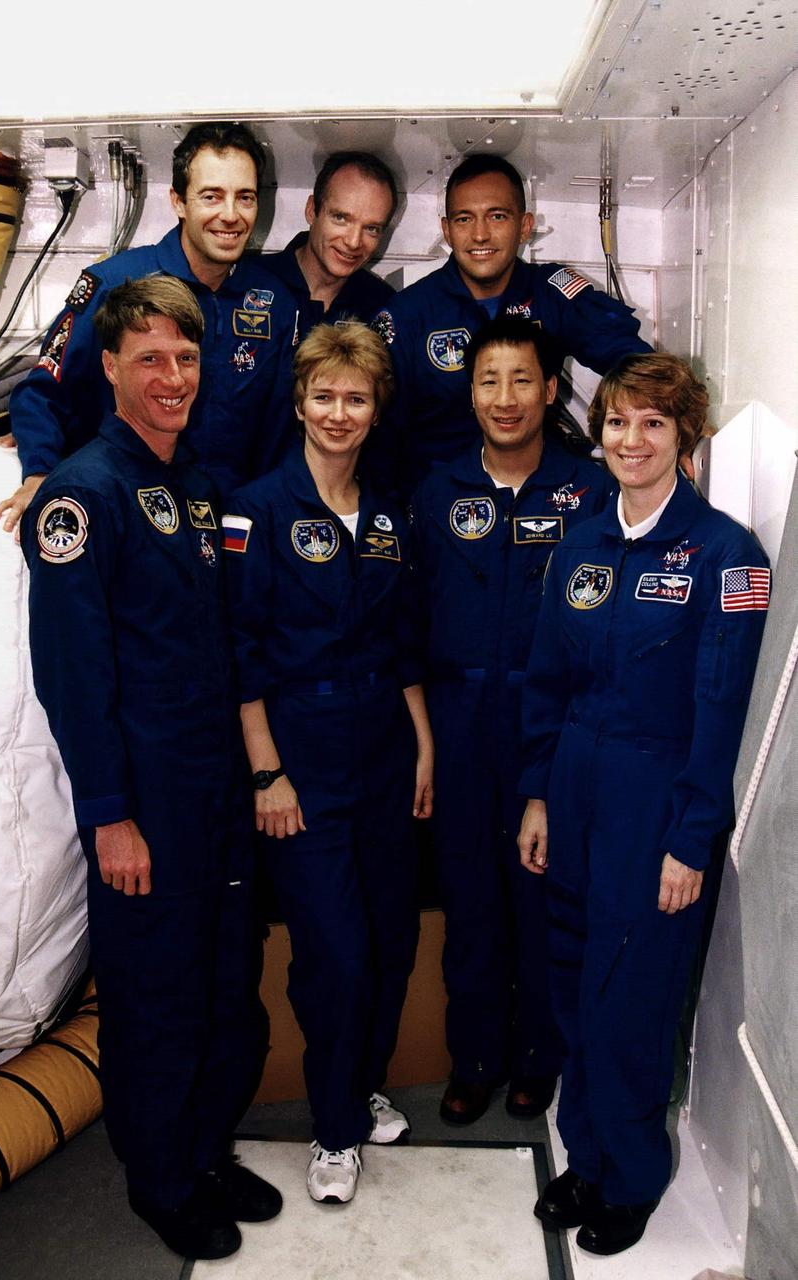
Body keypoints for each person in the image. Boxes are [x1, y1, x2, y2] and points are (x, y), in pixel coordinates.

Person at [21, 277, 278, 1261]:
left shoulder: (198, 487)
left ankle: (204, 1149)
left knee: (222, 982)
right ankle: (160, 1178)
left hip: (214, 789)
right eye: (150, 359)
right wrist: (110, 814)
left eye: (185, 356)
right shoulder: (84, 495)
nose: (172, 376)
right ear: (111, 367)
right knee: (155, 994)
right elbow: (72, 678)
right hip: (147, 799)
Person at [517, 353, 769, 1256]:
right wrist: (537, 796)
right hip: (576, 785)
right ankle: (583, 1157)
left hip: (656, 799)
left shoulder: (727, 556)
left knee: (632, 1001)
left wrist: (691, 838)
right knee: (575, 985)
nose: (631, 440)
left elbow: (721, 710)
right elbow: (546, 681)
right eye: (619, 421)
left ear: (684, 437)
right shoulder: (583, 540)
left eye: (653, 424)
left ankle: (629, 1177)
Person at [223, 322, 433, 1204]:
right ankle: (334, 1130)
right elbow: (237, 652)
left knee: (389, 940)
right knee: (334, 954)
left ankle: (361, 1083)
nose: (339, 413)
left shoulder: (388, 516)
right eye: (324, 396)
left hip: (384, 749)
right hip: (301, 762)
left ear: (375, 407)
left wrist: (423, 745)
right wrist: (267, 774)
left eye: (356, 397)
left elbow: (404, 640)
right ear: (300, 403)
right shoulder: (257, 508)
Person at [411, 316, 611, 1127]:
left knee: (542, 895)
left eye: (522, 379)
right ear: (470, 390)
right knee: (469, 898)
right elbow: (409, 616)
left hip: (550, 719)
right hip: (460, 717)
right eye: (489, 380)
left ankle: (538, 1056)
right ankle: (475, 1058)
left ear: (552, 390)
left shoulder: (589, 492)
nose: (505, 397)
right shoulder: (435, 489)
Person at [0, 122, 298, 528]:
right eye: (211, 196)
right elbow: (42, 393)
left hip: (229, 523)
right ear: (178, 201)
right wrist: (39, 471)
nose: (230, 215)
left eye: (244, 197)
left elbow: (280, 429)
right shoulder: (114, 284)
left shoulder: (273, 302)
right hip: (129, 516)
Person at [371, 153, 652, 493]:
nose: (480, 235)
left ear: (524, 226)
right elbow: (378, 434)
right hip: (441, 505)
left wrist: (683, 422)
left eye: (497, 216)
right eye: (464, 219)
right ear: (446, 230)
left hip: (540, 496)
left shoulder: (551, 294)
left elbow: (634, 361)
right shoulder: (408, 314)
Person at [267, 151, 397, 340]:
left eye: (371, 228)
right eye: (341, 218)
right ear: (312, 211)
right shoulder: (250, 281)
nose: (353, 242)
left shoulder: (382, 307)